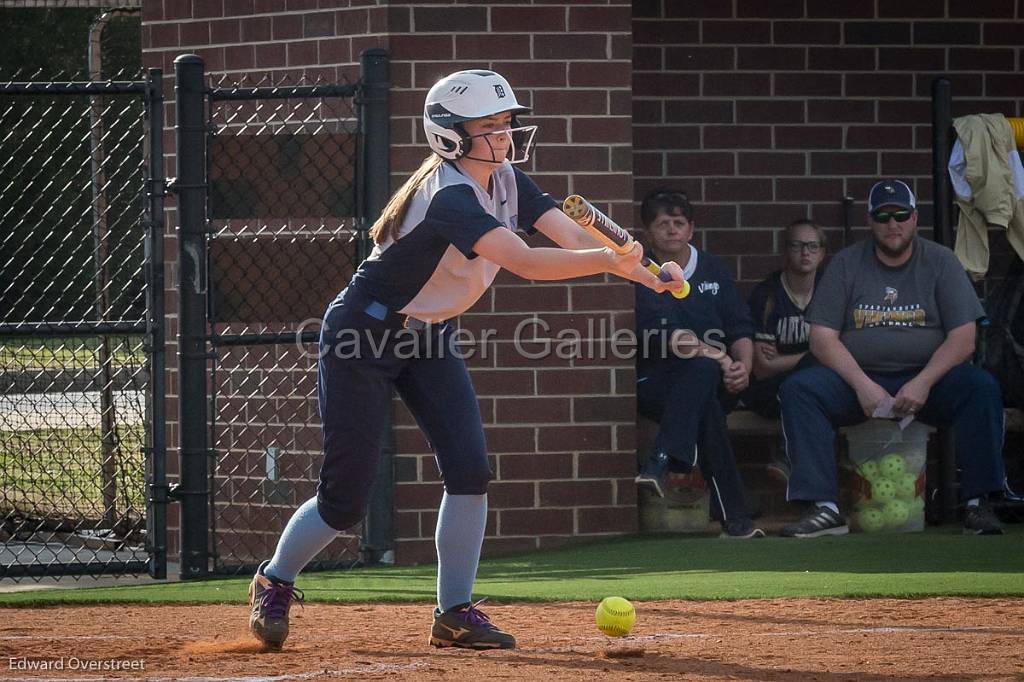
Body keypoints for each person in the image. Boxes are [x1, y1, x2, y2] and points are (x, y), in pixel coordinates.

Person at [246, 70, 685, 652]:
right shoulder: (449, 195)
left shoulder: (508, 180)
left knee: (470, 469)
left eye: (506, 124)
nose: (504, 136)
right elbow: (525, 260)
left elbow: (564, 236)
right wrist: (609, 261)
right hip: (364, 333)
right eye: (489, 127)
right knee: (345, 499)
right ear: (450, 136)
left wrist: (643, 268)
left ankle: (453, 612)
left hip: (429, 336)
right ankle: (275, 580)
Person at [778, 179, 1006, 538]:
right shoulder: (846, 264)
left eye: (901, 214)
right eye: (883, 216)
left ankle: (979, 504)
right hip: (860, 379)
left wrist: (924, 382)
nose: (892, 223)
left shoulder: (941, 261)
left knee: (981, 388)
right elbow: (822, 339)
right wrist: (863, 386)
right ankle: (824, 507)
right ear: (870, 220)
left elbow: (964, 339)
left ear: (915, 218)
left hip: (928, 379)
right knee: (800, 390)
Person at [633, 188, 764, 539]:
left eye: (679, 223)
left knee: (704, 385)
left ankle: (664, 458)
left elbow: (739, 323)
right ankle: (735, 520)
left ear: (691, 229)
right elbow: (667, 334)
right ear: (649, 232)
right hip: (657, 383)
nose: (672, 230)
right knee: (704, 401)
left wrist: (744, 368)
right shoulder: (641, 272)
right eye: (663, 223)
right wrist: (721, 359)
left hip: (718, 380)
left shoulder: (712, 268)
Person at [743, 220, 826, 419]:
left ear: (822, 253)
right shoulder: (767, 294)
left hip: (818, 382)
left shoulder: (830, 291)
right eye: (797, 245)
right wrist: (818, 354)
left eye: (813, 246)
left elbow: (846, 351)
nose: (805, 252)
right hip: (773, 388)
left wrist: (783, 359)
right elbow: (763, 368)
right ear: (786, 251)